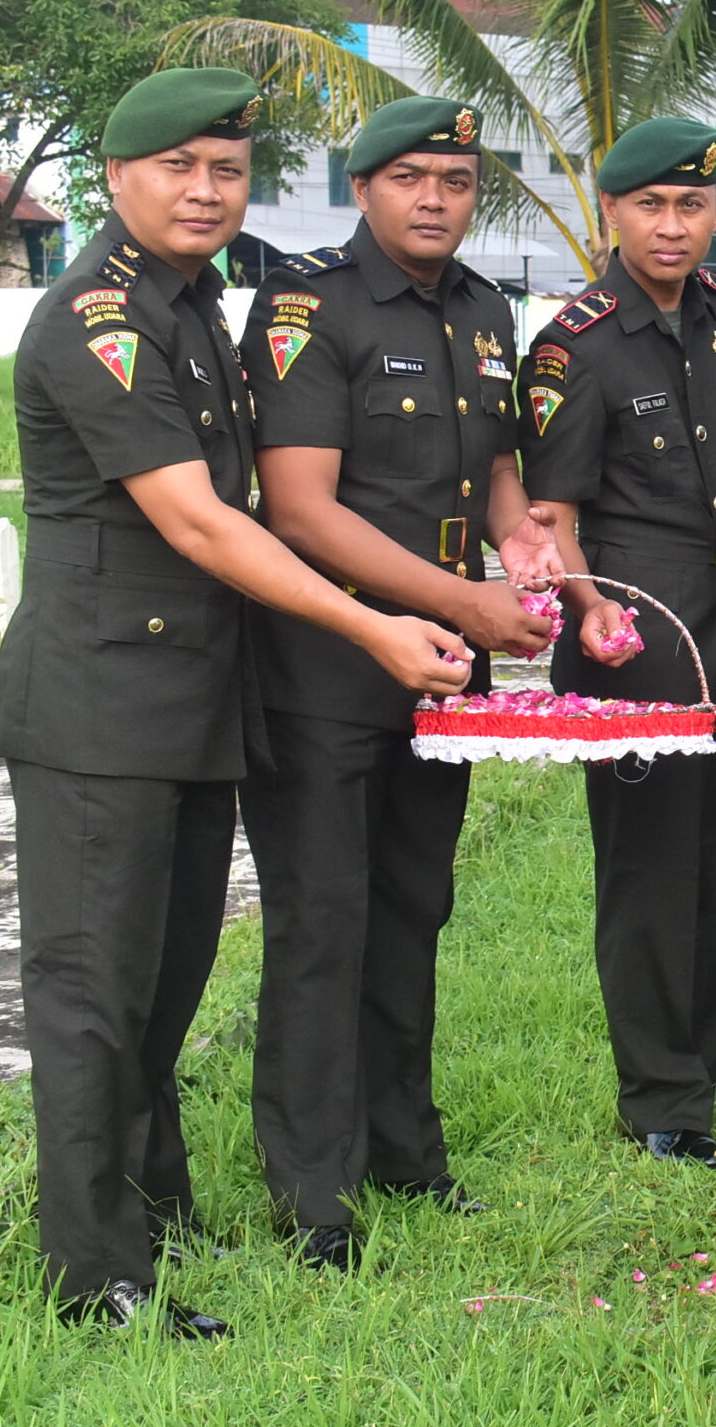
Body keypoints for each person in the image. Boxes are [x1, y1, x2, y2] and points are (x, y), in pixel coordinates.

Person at [0, 68, 470, 1335]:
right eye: (179, 168)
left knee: (164, 984)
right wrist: (371, 624)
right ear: (116, 177)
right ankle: (96, 1279)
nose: (206, 191)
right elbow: (203, 522)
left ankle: (155, 1218)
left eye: (227, 170)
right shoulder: (97, 316)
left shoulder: (195, 304)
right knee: (93, 996)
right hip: (99, 705)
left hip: (198, 700)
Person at [241, 96, 564, 1269]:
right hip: (324, 667)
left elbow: (494, 465)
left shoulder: (483, 308)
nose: (436, 200)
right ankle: (312, 1198)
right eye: (412, 178)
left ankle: (403, 1155)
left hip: (438, 675)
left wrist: (520, 543)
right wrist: (464, 602)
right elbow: (300, 508)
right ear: (363, 187)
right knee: (322, 920)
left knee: (412, 906)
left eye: (457, 181)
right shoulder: (306, 304)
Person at [515, 116, 716, 1169]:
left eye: (691, 205)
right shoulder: (575, 343)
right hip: (633, 621)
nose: (671, 225)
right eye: (650, 206)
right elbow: (551, 515)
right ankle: (662, 1095)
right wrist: (589, 607)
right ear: (612, 212)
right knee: (651, 864)